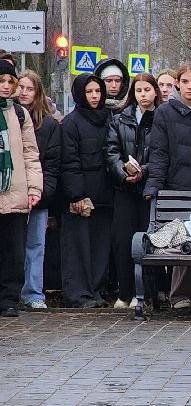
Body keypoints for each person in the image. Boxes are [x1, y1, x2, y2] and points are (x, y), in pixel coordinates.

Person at [146, 62, 191, 312]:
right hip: (176, 186)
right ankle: (179, 295)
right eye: (185, 82)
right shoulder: (165, 113)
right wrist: (154, 185)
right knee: (182, 241)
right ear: (178, 84)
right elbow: (158, 152)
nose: (190, 87)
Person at [59, 72, 116, 308]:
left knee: (100, 246)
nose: (94, 96)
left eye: (98, 91)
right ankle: (78, 294)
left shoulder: (109, 118)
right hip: (81, 197)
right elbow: (69, 161)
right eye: (89, 91)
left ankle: (96, 290)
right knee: (78, 247)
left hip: (106, 193)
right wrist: (76, 194)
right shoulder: (71, 123)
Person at [105, 72, 159, 309]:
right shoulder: (120, 119)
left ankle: (145, 292)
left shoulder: (162, 118)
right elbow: (111, 151)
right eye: (139, 90)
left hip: (148, 188)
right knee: (123, 240)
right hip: (124, 188)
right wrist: (122, 171)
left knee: (147, 241)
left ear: (155, 92)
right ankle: (125, 292)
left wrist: (143, 171)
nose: (143, 94)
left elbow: (161, 153)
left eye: (147, 89)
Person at [0, 60, 42, 318]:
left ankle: (8, 299)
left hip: (14, 191)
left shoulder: (19, 114)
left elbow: (30, 154)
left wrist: (34, 188)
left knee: (13, 251)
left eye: (10, 81)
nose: (6, 86)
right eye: (1, 81)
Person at [15, 70, 60, 310]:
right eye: (20, 87)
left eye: (29, 89)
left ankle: (33, 292)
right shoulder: (8, 118)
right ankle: (10, 292)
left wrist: (44, 192)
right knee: (12, 245)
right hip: (11, 194)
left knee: (35, 245)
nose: (24, 93)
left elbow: (52, 163)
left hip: (38, 194)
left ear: (38, 93)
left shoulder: (48, 125)